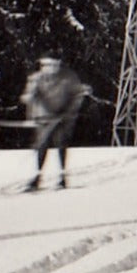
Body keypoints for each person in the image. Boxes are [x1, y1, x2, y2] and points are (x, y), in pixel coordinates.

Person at [21, 55, 89, 191]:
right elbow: (29, 96)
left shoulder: (68, 78)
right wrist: (29, 99)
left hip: (63, 119)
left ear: (58, 64)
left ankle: (62, 176)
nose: (49, 68)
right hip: (43, 117)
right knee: (42, 145)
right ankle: (37, 177)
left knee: (61, 144)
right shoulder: (36, 78)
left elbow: (77, 96)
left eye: (53, 65)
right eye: (45, 65)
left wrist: (68, 111)